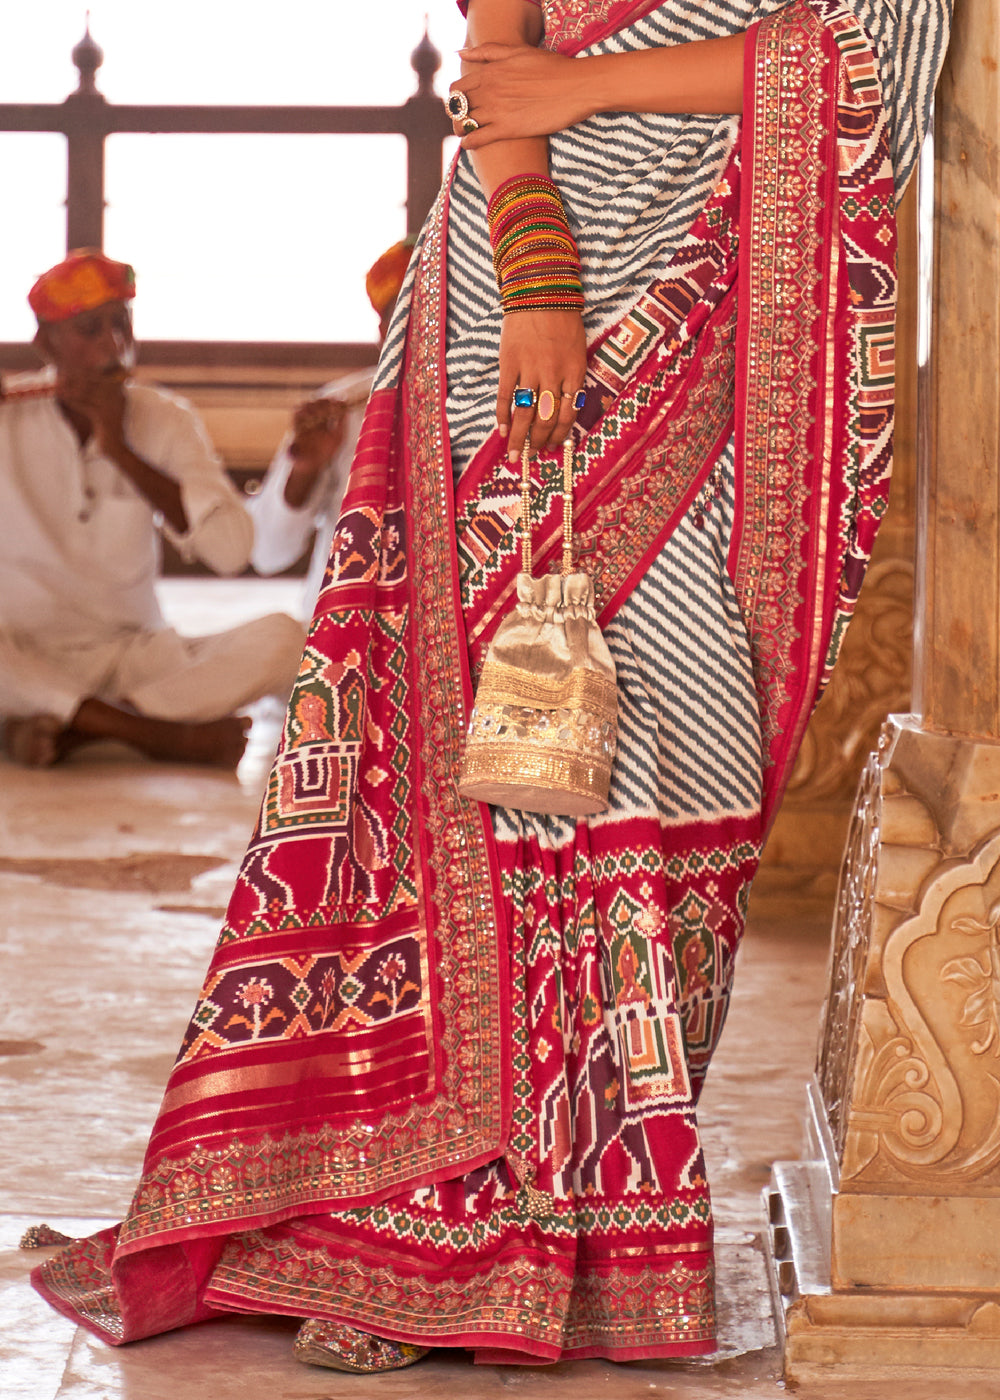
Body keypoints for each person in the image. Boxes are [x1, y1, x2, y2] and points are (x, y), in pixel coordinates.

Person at [32, 0, 950, 1374]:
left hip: (714, 285)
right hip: (508, 297)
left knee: (652, 736)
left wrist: (577, 98)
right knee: (458, 740)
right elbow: (497, 65)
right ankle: (398, 1223)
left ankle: (585, 1230)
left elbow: (873, 56)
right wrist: (536, 277)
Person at [0, 249, 305, 769]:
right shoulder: (9, 416)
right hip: (25, 652)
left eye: (121, 325)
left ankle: (85, 731)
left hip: (136, 655)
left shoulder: (165, 419)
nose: (112, 345)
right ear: (44, 343)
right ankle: (161, 736)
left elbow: (231, 552)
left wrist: (121, 449)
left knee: (288, 638)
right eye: (89, 330)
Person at [249, 239, 415, 618]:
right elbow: (267, 554)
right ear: (382, 331)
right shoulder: (338, 409)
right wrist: (304, 471)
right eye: (405, 315)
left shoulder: (496, 404)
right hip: (338, 632)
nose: (424, 329)